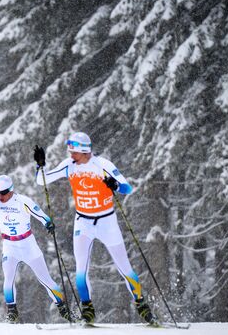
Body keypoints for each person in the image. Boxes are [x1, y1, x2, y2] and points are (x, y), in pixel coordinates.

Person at [33, 132, 158, 325]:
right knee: (81, 269)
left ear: (84, 151)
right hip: (83, 223)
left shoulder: (103, 165)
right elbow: (42, 180)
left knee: (124, 267)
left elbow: (127, 188)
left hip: (107, 222)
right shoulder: (69, 165)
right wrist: (40, 165)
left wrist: (114, 185)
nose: (71, 155)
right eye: (70, 151)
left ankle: (141, 305)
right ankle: (87, 309)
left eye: (73, 151)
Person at [0, 175, 71, 323]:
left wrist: (48, 224)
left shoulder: (23, 201)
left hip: (28, 245)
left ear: (11, 190)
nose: (1, 196)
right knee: (8, 279)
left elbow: (43, 216)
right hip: (9, 246)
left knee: (46, 280)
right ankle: (12, 312)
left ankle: (64, 308)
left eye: (4, 193)